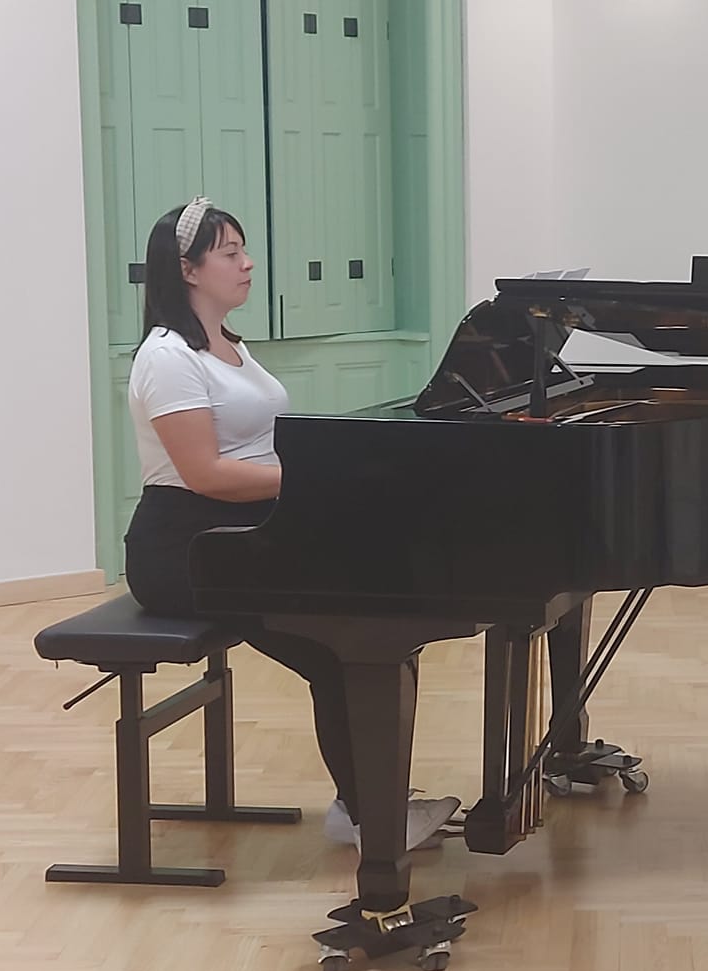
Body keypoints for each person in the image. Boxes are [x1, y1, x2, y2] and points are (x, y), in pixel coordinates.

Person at [124, 196, 459, 851]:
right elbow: (205, 474)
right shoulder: (167, 357)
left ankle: (368, 804)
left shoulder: (227, 345)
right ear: (188, 270)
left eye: (244, 250)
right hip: (188, 545)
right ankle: (369, 817)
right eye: (230, 253)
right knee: (344, 648)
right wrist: (319, 476)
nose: (248, 263)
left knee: (374, 632)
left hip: (248, 532)